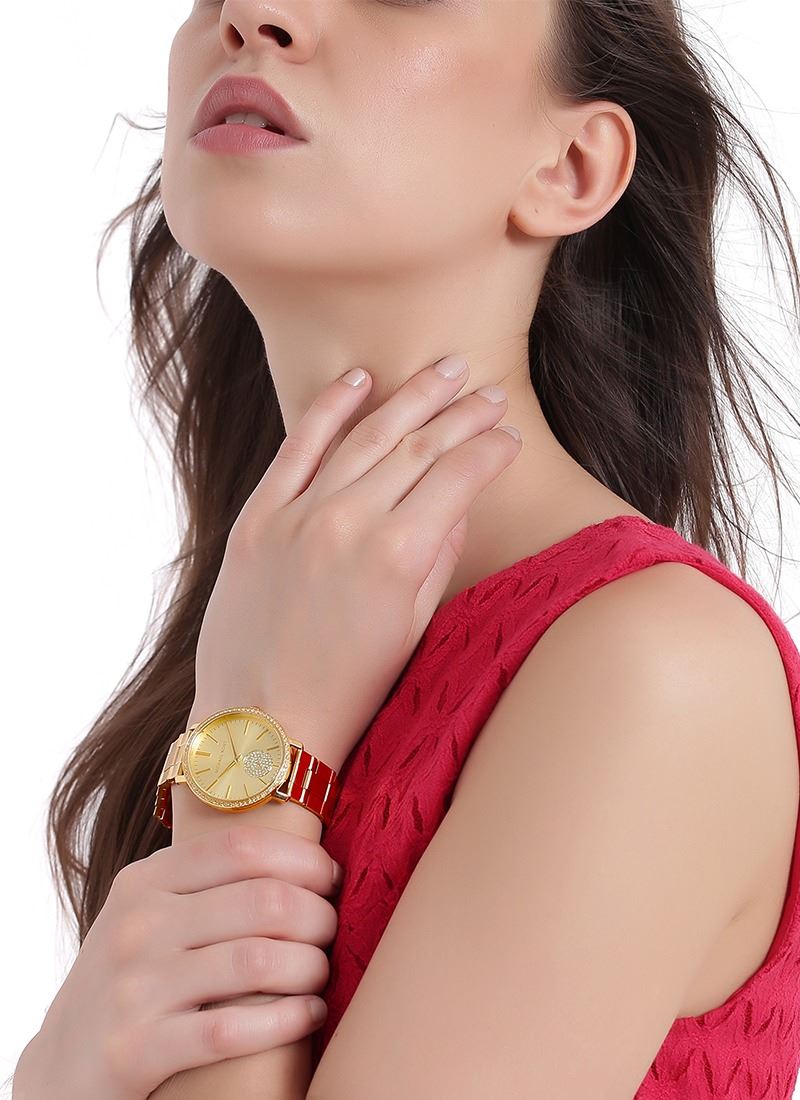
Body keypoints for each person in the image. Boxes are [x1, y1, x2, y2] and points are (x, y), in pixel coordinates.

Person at [12, 0, 800, 1097]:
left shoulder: (661, 669)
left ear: (571, 166)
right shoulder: (265, 617)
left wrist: (259, 739)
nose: (254, 13)